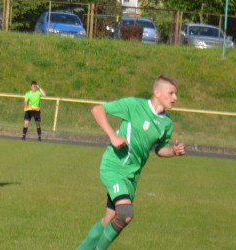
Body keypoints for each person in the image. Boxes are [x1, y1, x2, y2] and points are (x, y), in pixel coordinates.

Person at [76, 75, 186, 249]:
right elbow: (97, 110)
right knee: (126, 213)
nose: (175, 98)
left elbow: (159, 149)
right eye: (171, 93)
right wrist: (113, 136)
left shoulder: (167, 123)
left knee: (109, 221)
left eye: (176, 94)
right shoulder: (133, 105)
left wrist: (173, 151)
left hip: (131, 176)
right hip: (114, 167)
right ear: (157, 92)